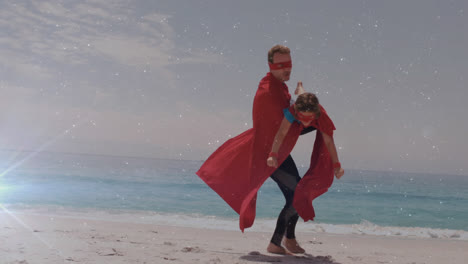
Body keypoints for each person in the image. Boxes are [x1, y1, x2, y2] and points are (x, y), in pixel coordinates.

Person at [196, 45, 342, 255]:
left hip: (279, 151)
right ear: (271, 66)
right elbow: (277, 126)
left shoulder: (280, 86)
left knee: (297, 193)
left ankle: (289, 239)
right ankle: (276, 242)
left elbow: (293, 111)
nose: (287, 70)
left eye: (289, 65)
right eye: (281, 65)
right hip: (269, 153)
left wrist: (314, 115)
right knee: (296, 195)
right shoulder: (267, 90)